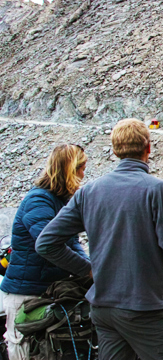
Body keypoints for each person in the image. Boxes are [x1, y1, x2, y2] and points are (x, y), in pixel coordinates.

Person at [36, 118, 163, 360]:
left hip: (104, 308)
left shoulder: (89, 191)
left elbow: (46, 243)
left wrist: (88, 270)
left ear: (115, 150)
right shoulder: (157, 189)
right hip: (144, 307)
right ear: (148, 147)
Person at [0, 145, 89, 360]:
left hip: (47, 291)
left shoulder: (58, 201)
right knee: (24, 350)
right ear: (70, 170)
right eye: (81, 169)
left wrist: (90, 265)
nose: (83, 175)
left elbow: (71, 242)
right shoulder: (38, 201)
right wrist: (88, 270)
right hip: (26, 293)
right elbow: (50, 246)